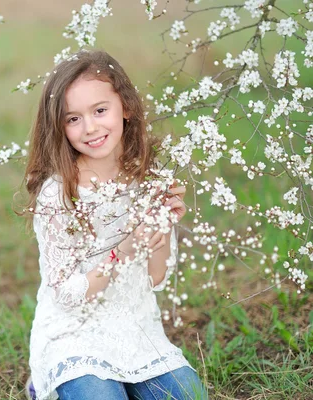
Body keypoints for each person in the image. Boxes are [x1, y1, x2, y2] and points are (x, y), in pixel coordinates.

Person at [21, 49, 208, 400]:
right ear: (59, 127)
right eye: (73, 119)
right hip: (74, 333)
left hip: (135, 329)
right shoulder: (58, 194)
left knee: (188, 396)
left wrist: (162, 225)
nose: (90, 128)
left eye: (100, 110)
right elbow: (65, 294)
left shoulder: (148, 181)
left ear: (126, 107)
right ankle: (49, 383)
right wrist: (123, 250)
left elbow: (155, 277)